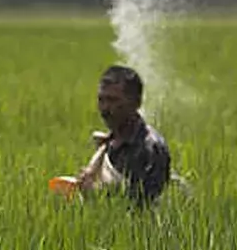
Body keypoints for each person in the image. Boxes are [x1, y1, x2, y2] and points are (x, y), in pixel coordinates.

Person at [73, 65, 173, 206]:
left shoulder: (151, 148)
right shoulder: (107, 143)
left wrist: (96, 193)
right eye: (101, 100)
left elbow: (144, 206)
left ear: (136, 103)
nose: (105, 109)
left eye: (113, 100)